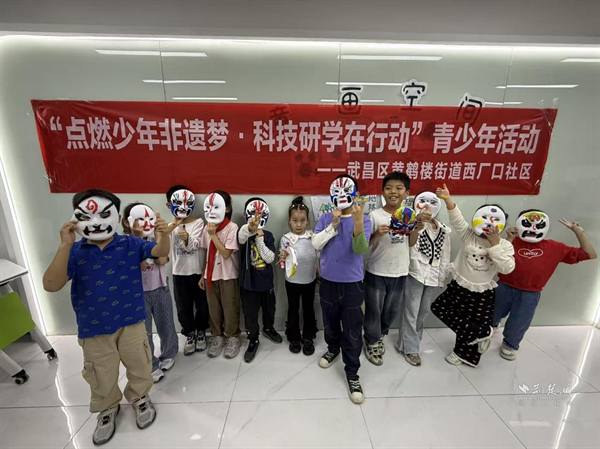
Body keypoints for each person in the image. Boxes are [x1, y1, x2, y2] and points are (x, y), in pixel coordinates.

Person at [43, 189, 170, 445]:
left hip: (132, 320)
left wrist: (164, 235)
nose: (97, 222)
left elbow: (159, 252)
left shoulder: (131, 244)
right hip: (94, 327)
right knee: (101, 372)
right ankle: (107, 407)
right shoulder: (75, 251)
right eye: (87, 216)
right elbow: (51, 284)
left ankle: (140, 397)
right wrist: (65, 246)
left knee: (139, 363)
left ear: (116, 218)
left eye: (104, 215)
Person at [493, 210, 597, 360]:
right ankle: (490, 327)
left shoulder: (555, 247)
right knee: (492, 312)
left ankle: (510, 344)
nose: (533, 228)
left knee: (520, 321)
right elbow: (497, 257)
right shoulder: (510, 242)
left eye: (539, 225)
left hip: (530, 292)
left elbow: (589, 254)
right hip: (504, 286)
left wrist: (578, 232)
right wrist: (509, 238)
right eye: (527, 224)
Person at [430, 184, 515, 367]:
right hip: (459, 286)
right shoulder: (468, 235)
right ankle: (480, 332)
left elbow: (507, 268)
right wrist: (448, 199)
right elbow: (457, 219)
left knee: (470, 321)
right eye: (484, 217)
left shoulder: (505, 245)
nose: (488, 222)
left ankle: (462, 354)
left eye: (495, 220)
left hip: (482, 293)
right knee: (439, 308)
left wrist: (495, 245)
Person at [313, 174, 372, 404]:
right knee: (329, 320)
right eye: (336, 192)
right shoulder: (325, 217)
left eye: (345, 191)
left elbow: (360, 250)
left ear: (355, 194)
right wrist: (334, 224)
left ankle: (352, 373)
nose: (340, 195)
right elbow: (316, 244)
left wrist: (356, 223)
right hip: (328, 281)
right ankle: (332, 348)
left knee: (353, 328)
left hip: (352, 283)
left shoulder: (364, 219)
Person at [121, 202, 179, 383]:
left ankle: (169, 353)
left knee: (166, 324)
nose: (145, 223)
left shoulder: (156, 239)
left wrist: (161, 236)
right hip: (138, 294)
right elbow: (140, 265)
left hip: (160, 287)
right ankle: (151, 364)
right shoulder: (125, 243)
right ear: (127, 222)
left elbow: (161, 261)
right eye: (140, 219)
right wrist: (138, 241)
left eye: (149, 218)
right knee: (143, 333)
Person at [397, 191, 451, 366]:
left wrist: (442, 276)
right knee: (411, 311)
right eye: (423, 202)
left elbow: (445, 254)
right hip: (415, 273)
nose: (427, 206)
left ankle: (409, 342)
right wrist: (417, 223)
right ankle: (410, 348)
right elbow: (409, 246)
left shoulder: (443, 229)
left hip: (432, 275)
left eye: (432, 202)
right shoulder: (412, 225)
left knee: (423, 311)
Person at [363, 171, 411, 366]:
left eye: (399, 188)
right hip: (377, 270)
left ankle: (380, 335)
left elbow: (412, 243)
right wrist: (376, 234)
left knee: (391, 310)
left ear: (407, 193)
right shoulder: (374, 215)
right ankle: (371, 340)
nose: (393, 192)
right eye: (389, 188)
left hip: (400, 270)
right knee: (373, 310)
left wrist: (416, 228)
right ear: (382, 192)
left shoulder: (409, 215)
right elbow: (364, 244)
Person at [165, 185, 209, 356]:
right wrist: (173, 225)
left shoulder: (198, 223)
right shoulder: (170, 226)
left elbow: (195, 246)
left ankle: (201, 331)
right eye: (177, 203)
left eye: (187, 203)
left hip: (197, 271)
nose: (182, 207)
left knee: (202, 305)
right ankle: (189, 333)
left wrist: (187, 238)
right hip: (179, 273)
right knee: (183, 307)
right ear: (169, 205)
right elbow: (160, 241)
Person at [238, 197, 283, 363]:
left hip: (266, 282)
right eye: (252, 214)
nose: (257, 218)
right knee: (250, 314)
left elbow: (270, 258)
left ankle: (268, 328)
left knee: (269, 309)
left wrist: (259, 239)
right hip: (248, 284)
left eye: (261, 214)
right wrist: (250, 229)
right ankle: (253, 339)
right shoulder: (243, 234)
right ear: (245, 215)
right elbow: (241, 237)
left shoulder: (268, 235)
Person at [199, 190, 242, 359]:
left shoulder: (232, 227)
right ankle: (217, 336)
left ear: (227, 208)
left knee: (230, 307)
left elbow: (225, 253)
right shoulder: (207, 227)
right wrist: (202, 275)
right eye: (209, 207)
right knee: (214, 308)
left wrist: (213, 235)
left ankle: (232, 337)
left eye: (216, 207)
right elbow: (206, 252)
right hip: (210, 274)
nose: (211, 211)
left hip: (228, 275)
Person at [279, 196, 319, 355]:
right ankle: (293, 336)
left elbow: (317, 256)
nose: (298, 224)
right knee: (293, 308)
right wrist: (282, 258)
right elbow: (282, 263)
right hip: (292, 281)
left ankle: (308, 336)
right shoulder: (286, 239)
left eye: (302, 220)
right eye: (295, 220)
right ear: (289, 221)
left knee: (309, 308)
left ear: (307, 221)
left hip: (309, 280)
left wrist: (318, 272)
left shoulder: (312, 237)